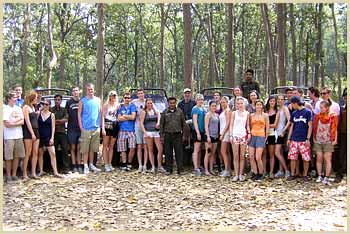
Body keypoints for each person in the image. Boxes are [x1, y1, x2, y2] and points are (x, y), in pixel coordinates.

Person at [287, 96, 313, 182]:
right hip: (294, 139)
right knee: (293, 158)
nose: (291, 105)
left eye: (292, 104)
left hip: (304, 139)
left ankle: (305, 175)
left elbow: (310, 126)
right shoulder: (294, 113)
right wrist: (289, 138)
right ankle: (292, 174)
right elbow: (291, 126)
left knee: (305, 158)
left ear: (295, 103)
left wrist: (308, 138)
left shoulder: (307, 112)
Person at [77, 83, 102, 174]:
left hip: (95, 128)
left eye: (91, 89)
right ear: (86, 90)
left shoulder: (98, 100)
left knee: (93, 149)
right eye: (88, 89)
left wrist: (100, 126)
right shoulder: (82, 101)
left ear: (93, 90)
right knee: (85, 149)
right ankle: (85, 165)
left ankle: (91, 164)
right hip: (86, 128)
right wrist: (81, 127)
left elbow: (100, 113)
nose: (90, 91)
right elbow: (79, 115)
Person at [313, 101, 338, 185]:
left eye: (322, 107)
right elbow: (315, 127)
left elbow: (335, 128)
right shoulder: (318, 116)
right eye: (320, 107)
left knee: (327, 159)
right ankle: (320, 175)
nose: (321, 109)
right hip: (318, 139)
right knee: (319, 158)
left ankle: (327, 177)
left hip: (328, 140)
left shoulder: (333, 116)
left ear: (327, 107)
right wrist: (314, 137)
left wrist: (335, 139)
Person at [159, 97, 186, 175]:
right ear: (168, 103)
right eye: (171, 103)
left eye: (174, 103)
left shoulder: (180, 111)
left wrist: (184, 135)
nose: (172, 104)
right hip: (167, 134)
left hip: (178, 134)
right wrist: (161, 136)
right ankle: (169, 169)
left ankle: (180, 169)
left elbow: (183, 124)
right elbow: (161, 125)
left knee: (179, 152)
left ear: (176, 103)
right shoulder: (164, 112)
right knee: (168, 153)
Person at [37, 99, 63, 178]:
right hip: (40, 136)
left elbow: (53, 127)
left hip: (48, 136)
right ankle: (41, 170)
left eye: (47, 104)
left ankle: (55, 172)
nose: (45, 106)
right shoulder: (39, 114)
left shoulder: (52, 115)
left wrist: (52, 137)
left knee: (53, 153)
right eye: (44, 104)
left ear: (49, 105)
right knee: (40, 154)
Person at [3, 92, 25, 182]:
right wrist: (17, 121)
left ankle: (14, 174)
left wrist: (13, 122)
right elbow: (6, 124)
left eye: (16, 97)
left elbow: (22, 121)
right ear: (9, 98)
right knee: (9, 157)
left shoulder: (19, 108)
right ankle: (8, 175)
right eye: (14, 97)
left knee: (17, 156)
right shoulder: (5, 109)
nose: (16, 98)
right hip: (9, 136)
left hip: (19, 135)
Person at [230, 97, 250, 182]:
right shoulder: (234, 113)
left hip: (243, 136)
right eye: (238, 103)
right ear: (236, 104)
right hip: (235, 135)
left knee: (242, 156)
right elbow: (231, 125)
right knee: (235, 156)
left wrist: (249, 133)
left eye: (241, 103)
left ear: (244, 104)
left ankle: (241, 174)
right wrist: (231, 135)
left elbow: (248, 125)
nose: (240, 105)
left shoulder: (247, 113)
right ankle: (236, 174)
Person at [140, 98, 163, 174]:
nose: (150, 104)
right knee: (151, 150)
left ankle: (159, 166)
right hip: (148, 132)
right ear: (146, 104)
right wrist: (145, 132)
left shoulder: (154, 111)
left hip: (156, 132)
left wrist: (158, 123)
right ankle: (153, 167)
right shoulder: (144, 112)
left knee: (160, 149)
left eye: (151, 103)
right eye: (148, 103)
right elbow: (141, 123)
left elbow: (159, 115)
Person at [248, 99, 269, 182]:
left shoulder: (265, 116)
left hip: (261, 136)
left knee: (258, 157)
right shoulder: (251, 115)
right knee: (251, 156)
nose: (259, 106)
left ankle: (261, 173)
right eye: (257, 105)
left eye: (260, 104)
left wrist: (266, 138)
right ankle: (255, 173)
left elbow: (267, 127)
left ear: (262, 106)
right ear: (255, 106)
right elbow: (249, 126)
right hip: (252, 136)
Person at [22, 90, 40, 180]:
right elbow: (27, 121)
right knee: (27, 153)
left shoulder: (33, 107)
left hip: (37, 131)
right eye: (36, 97)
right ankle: (24, 173)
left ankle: (33, 172)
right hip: (29, 132)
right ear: (32, 98)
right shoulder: (25, 107)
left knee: (35, 152)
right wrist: (32, 133)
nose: (37, 99)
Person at [117, 92, 137, 171]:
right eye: (125, 97)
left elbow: (133, 117)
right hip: (122, 130)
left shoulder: (132, 106)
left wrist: (124, 116)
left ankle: (129, 162)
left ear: (130, 99)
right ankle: (124, 163)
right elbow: (118, 119)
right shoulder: (120, 107)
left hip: (131, 130)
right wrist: (128, 117)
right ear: (123, 98)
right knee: (122, 149)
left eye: (128, 98)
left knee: (132, 147)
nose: (127, 99)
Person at [101, 91, 120, 172]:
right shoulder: (106, 105)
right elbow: (102, 117)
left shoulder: (118, 105)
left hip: (115, 125)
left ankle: (109, 163)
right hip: (107, 125)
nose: (113, 97)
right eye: (112, 96)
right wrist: (103, 128)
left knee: (111, 146)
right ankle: (105, 164)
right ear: (109, 97)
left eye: (115, 95)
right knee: (105, 145)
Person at [51, 94, 70, 173]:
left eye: (59, 99)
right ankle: (53, 168)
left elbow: (66, 119)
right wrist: (59, 121)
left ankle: (66, 167)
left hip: (62, 132)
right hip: (53, 133)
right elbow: (50, 120)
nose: (57, 101)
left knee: (65, 149)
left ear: (61, 101)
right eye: (56, 99)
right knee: (53, 151)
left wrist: (55, 121)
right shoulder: (51, 109)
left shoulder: (64, 109)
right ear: (54, 100)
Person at [177, 88, 196, 166]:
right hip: (182, 124)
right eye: (185, 93)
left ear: (190, 94)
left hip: (192, 122)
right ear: (183, 94)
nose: (187, 95)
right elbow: (178, 114)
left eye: (188, 93)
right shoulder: (180, 104)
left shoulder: (194, 103)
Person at [66, 86, 83, 173]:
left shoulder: (82, 101)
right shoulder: (69, 102)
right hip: (71, 128)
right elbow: (66, 115)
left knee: (79, 147)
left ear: (79, 91)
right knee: (72, 147)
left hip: (80, 128)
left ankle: (79, 164)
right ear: (72, 93)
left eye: (77, 90)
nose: (75, 92)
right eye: (74, 91)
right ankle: (73, 165)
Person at [131, 89, 149, 173]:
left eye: (142, 93)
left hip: (146, 126)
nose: (141, 95)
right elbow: (126, 104)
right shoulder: (134, 102)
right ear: (137, 95)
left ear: (144, 94)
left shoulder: (147, 102)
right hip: (137, 126)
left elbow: (156, 111)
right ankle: (140, 165)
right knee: (139, 145)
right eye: (139, 93)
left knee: (146, 146)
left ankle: (145, 165)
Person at [274, 95, 291, 178]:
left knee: (277, 152)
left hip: (281, 133)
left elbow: (289, 120)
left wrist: (284, 130)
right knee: (279, 152)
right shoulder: (278, 109)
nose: (280, 101)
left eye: (281, 99)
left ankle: (286, 170)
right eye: (279, 99)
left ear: (284, 100)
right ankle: (281, 171)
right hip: (275, 132)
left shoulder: (285, 108)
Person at [191, 94, 206, 176]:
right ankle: (195, 167)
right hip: (197, 131)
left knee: (200, 149)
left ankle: (199, 165)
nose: (200, 101)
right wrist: (197, 132)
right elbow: (195, 121)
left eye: (202, 99)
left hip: (203, 131)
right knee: (196, 149)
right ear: (196, 100)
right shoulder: (195, 109)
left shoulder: (203, 108)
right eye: (199, 99)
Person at [203, 101, 220, 175]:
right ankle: (206, 170)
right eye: (212, 106)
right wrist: (208, 136)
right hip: (209, 136)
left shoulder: (216, 115)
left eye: (215, 106)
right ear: (209, 107)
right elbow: (206, 126)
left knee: (213, 153)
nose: (214, 107)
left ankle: (211, 169)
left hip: (215, 136)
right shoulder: (208, 115)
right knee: (208, 153)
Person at [334, 90, 347, 183]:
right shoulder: (342, 108)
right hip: (343, 134)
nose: (346, 98)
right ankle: (339, 174)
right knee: (341, 154)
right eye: (345, 97)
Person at [218, 96, 232, 177]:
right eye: (221, 102)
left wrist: (223, 134)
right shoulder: (223, 111)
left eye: (224, 102)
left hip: (226, 133)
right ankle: (228, 169)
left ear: (227, 102)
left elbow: (227, 123)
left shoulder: (228, 111)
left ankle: (227, 170)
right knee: (226, 152)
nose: (223, 103)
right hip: (223, 132)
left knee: (223, 151)